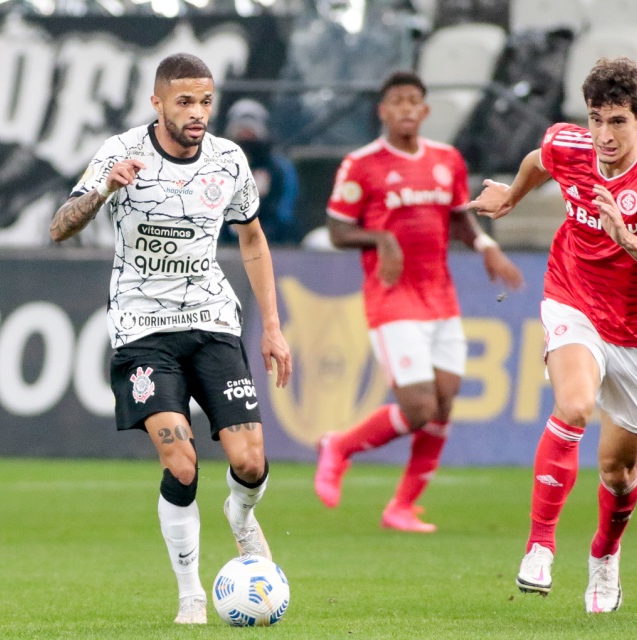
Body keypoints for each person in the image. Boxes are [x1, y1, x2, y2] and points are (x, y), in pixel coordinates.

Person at [49, 53, 292, 625]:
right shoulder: (119, 152)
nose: (198, 113)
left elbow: (253, 241)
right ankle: (190, 596)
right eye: (184, 101)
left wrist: (273, 328)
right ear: (156, 102)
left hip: (212, 322)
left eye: (206, 101)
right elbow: (59, 226)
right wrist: (104, 190)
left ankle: (240, 515)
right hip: (142, 331)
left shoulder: (229, 161)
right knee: (181, 461)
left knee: (250, 461)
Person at [468, 57, 637, 613]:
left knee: (619, 473)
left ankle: (603, 556)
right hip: (574, 297)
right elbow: (538, 158)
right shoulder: (571, 145)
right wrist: (512, 197)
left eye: (617, 121)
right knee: (573, 406)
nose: (604, 136)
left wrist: (625, 238)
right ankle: (540, 545)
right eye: (596, 119)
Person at [313, 70, 524, 533]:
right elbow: (337, 230)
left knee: (444, 403)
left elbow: (460, 223)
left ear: (425, 110)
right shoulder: (361, 164)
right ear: (382, 110)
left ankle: (401, 507)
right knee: (419, 409)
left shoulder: (447, 160)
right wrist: (381, 238)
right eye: (397, 101)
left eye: (414, 101)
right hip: (392, 298)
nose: (406, 109)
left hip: (440, 296)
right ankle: (340, 446)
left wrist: (488, 249)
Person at [221, 98, 301, 245]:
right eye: (241, 129)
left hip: (268, 234)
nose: (245, 134)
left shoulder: (279, 167)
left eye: (251, 130)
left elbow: (285, 210)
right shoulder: (216, 164)